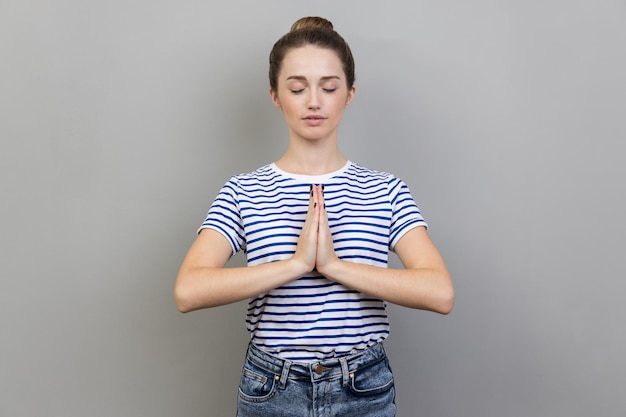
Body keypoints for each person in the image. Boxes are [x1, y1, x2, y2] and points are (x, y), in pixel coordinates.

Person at [174, 16, 455, 417]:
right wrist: (295, 265)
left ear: (350, 93)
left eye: (329, 87)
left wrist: (334, 266)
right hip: (271, 389)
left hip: (363, 390)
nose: (313, 101)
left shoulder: (385, 189)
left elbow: (440, 292)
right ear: (275, 95)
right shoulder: (243, 190)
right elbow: (189, 290)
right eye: (296, 87)